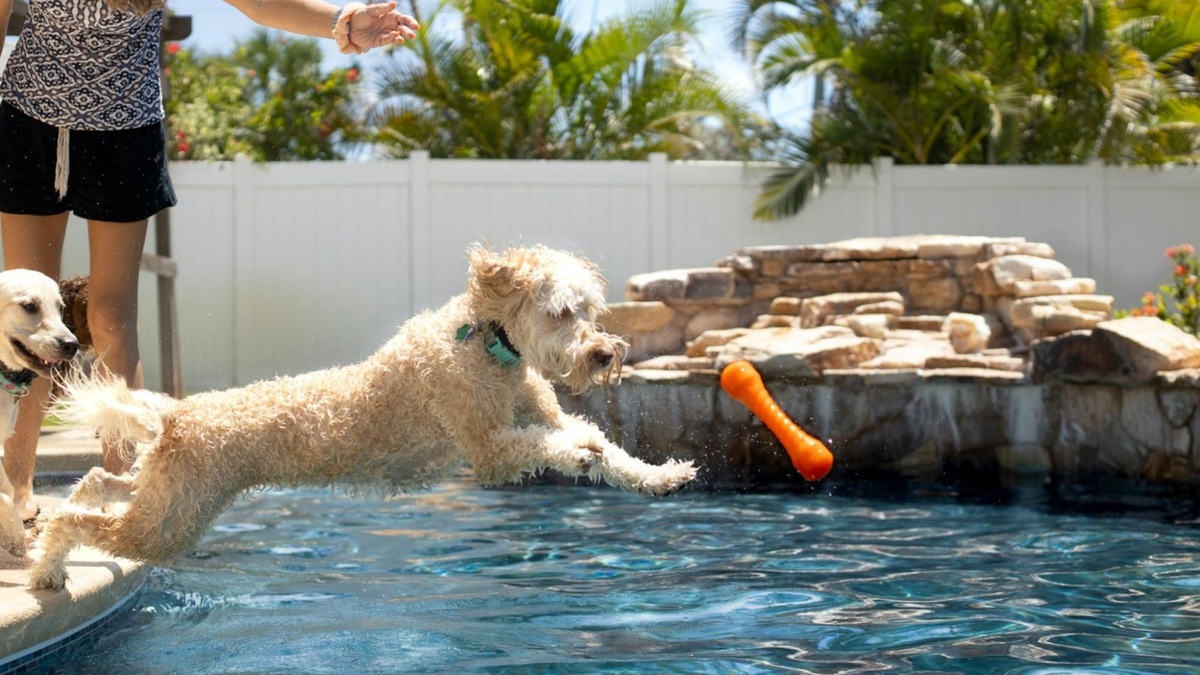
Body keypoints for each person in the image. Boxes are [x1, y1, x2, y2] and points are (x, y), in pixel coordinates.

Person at [0, 0, 418, 526]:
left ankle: (126, 489)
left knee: (109, 315)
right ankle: (15, 491)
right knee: (28, 321)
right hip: (29, 121)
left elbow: (260, 4)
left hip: (125, 130)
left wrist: (340, 23)